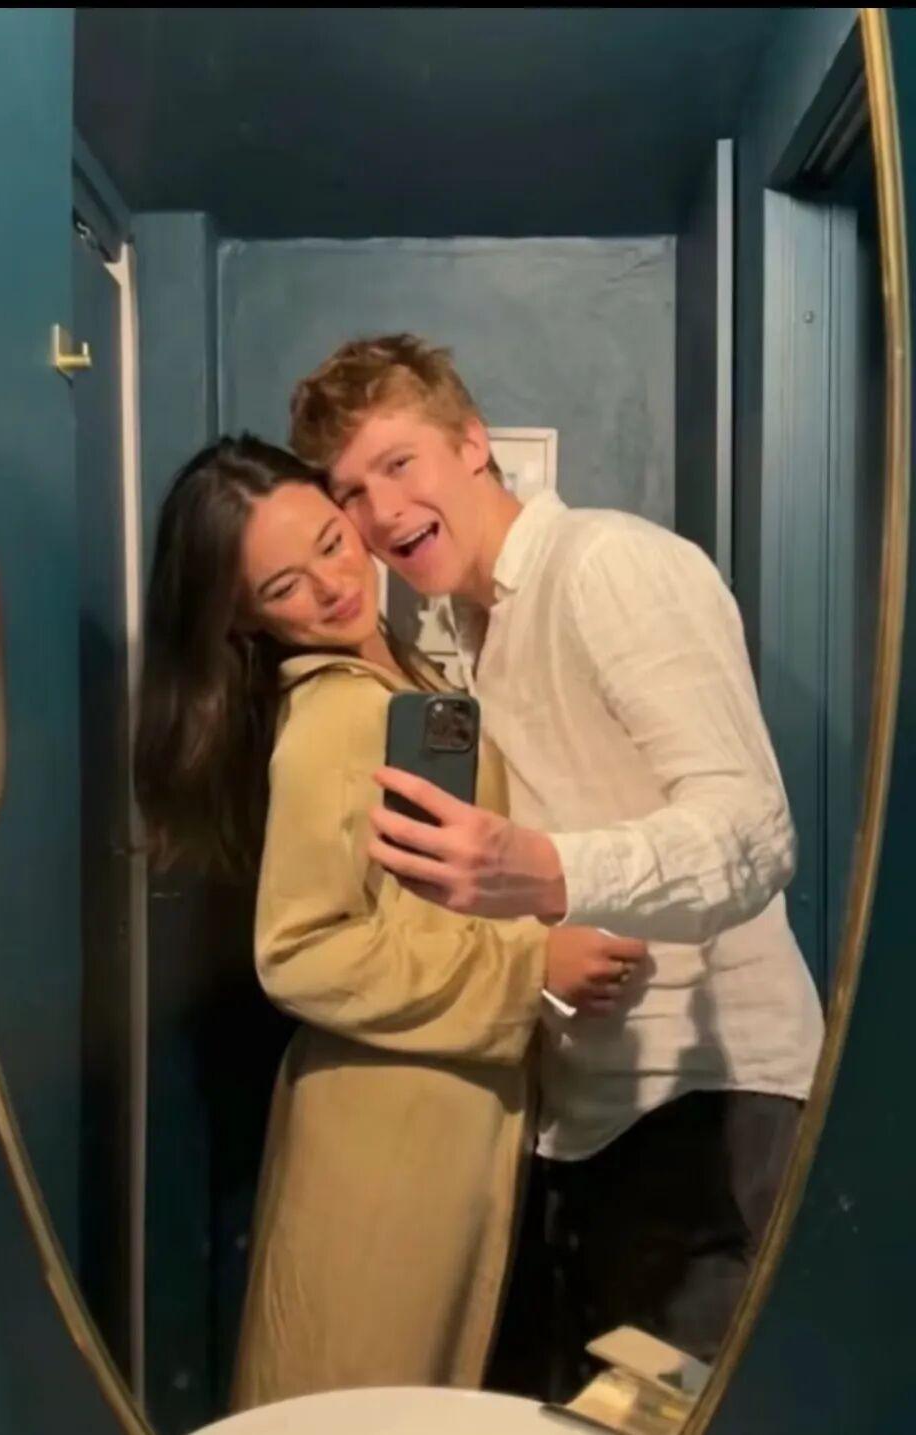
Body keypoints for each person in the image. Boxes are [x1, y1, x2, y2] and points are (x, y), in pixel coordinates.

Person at [288, 335, 826, 1396]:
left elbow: (755, 833)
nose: (379, 510)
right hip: (585, 1124)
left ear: (472, 443)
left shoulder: (607, 565)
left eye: (399, 462)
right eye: (350, 489)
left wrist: (545, 871)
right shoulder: (464, 636)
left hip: (711, 1111)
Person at [133, 435, 645, 1411]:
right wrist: (532, 965)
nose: (333, 586)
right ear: (243, 615)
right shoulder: (336, 717)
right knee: (355, 1404)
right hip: (384, 1141)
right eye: (284, 585)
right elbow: (302, 950)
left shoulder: (404, 682)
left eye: (331, 542)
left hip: (435, 1123)